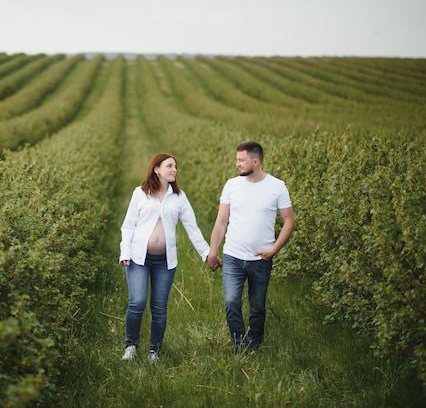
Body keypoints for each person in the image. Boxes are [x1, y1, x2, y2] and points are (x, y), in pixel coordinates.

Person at [119, 153, 212, 362]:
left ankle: (154, 351)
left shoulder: (179, 197)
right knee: (137, 302)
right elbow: (128, 225)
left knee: (159, 307)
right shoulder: (140, 194)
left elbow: (193, 229)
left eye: (175, 167)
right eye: (169, 166)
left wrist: (206, 253)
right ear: (156, 169)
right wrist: (125, 251)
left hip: (165, 262)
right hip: (138, 259)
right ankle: (131, 346)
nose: (174, 170)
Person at [206, 141, 295, 353]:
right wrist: (212, 251)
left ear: (255, 162)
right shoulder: (231, 185)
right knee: (231, 302)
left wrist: (274, 250)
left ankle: (254, 344)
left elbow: (289, 222)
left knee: (257, 307)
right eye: (237, 160)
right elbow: (221, 222)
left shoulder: (277, 187)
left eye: (241, 160)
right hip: (233, 257)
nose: (237, 164)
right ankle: (240, 345)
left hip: (261, 259)